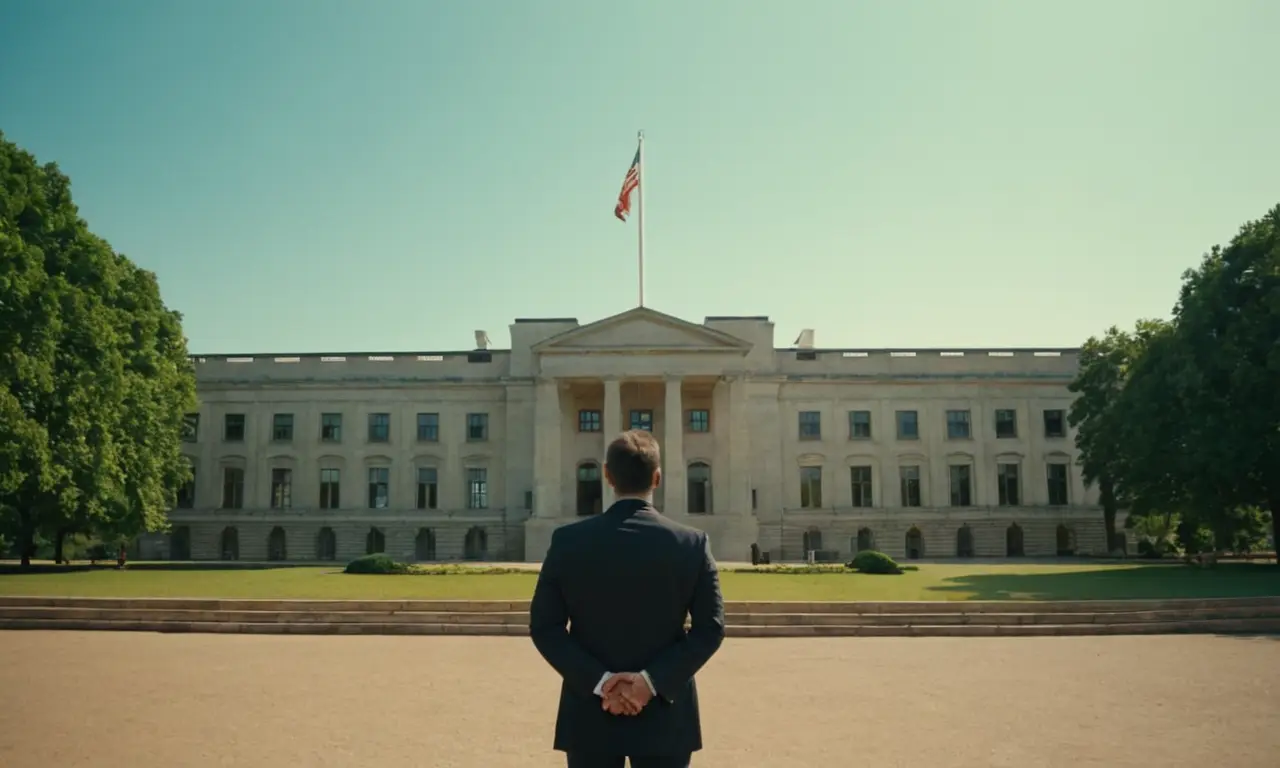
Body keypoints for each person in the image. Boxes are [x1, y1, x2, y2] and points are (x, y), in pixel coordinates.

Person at [529, 429, 726, 768]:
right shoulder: (691, 544)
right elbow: (710, 629)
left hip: (590, 713)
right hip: (665, 712)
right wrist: (650, 682)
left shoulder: (568, 542)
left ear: (607, 475)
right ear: (658, 477)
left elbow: (545, 628)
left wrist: (601, 682)